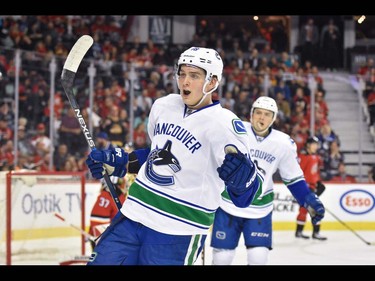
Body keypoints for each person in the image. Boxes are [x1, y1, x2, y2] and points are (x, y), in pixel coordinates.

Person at [85, 46, 263, 265]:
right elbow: (156, 155)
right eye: (182, 73)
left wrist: (244, 182)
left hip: (177, 230)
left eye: (194, 75)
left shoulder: (225, 125)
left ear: (212, 82)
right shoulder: (163, 105)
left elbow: (248, 193)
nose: (185, 81)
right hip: (133, 215)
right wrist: (122, 163)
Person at [210, 96, 326, 265]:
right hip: (228, 205)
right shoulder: (235, 131)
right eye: (258, 113)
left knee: (258, 258)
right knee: (221, 259)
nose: (262, 118)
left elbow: (292, 178)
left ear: (273, 118)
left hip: (260, 210)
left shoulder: (283, 143)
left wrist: (308, 200)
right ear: (251, 115)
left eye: (267, 114)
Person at [296, 136, 327, 240]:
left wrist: (317, 181)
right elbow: (299, 173)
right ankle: (310, 232)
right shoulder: (303, 157)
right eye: (314, 144)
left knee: (311, 209)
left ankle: (301, 232)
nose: (316, 146)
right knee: (310, 209)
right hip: (306, 188)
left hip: (313, 187)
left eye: (316, 144)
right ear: (308, 145)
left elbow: (314, 172)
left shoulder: (316, 157)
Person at [88, 176, 127, 250]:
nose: (124, 185)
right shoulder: (108, 196)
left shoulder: (119, 197)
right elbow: (97, 222)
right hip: (105, 242)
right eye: (121, 182)